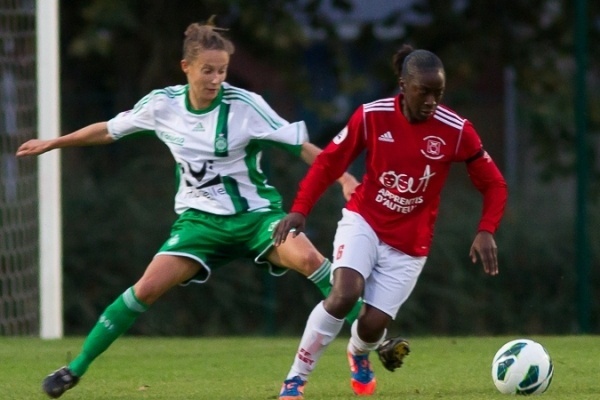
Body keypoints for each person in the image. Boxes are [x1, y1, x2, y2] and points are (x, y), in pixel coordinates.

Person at [16, 17, 362, 399]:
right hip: (199, 223)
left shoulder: (245, 106)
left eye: (222, 71)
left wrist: (343, 178)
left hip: (257, 217)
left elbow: (301, 147)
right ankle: (74, 369)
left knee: (311, 260)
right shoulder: (162, 105)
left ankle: (372, 339)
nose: (216, 79)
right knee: (145, 289)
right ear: (186, 68)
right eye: (208, 71)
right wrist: (54, 142)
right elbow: (108, 129)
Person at [273, 44, 508, 399]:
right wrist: (301, 208)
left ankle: (359, 353)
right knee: (344, 293)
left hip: (411, 244)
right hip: (364, 221)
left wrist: (487, 228)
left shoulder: (457, 131)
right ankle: (295, 380)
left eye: (438, 93)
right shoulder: (371, 116)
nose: (431, 100)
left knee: (371, 325)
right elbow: (329, 163)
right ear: (403, 84)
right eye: (423, 91)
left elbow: (494, 183)